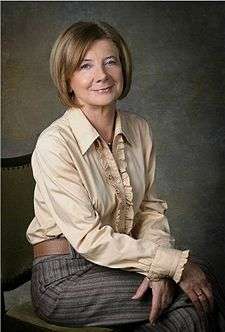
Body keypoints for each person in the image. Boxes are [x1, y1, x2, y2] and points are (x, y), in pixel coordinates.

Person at [26, 21, 224, 331]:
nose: (101, 75)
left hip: (121, 264)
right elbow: (89, 238)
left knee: (200, 289)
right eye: (85, 65)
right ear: (68, 79)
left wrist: (158, 270)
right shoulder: (55, 144)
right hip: (65, 277)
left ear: (123, 68)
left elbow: (149, 210)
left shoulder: (139, 129)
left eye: (110, 62)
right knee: (195, 296)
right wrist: (172, 264)